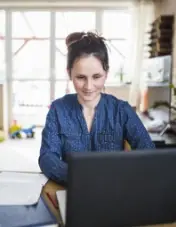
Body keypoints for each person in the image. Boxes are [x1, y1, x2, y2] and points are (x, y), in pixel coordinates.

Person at [39, 31, 155, 184]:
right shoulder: (58, 109)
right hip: (73, 189)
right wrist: (79, 178)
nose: (89, 86)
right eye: (80, 77)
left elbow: (149, 153)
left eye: (96, 77)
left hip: (115, 192)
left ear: (106, 73)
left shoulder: (122, 110)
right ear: (69, 73)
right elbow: (47, 157)